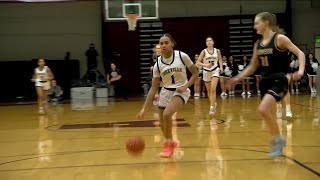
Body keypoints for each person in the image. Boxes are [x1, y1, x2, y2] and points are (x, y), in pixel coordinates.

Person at [226, 12, 305, 157]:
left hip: (279, 80)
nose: (254, 26)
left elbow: (300, 53)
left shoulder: (279, 39)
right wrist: (237, 78)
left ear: (266, 23)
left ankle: (277, 139)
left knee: (263, 109)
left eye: (257, 23)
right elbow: (252, 66)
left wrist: (300, 70)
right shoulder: (258, 44)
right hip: (265, 81)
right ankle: (278, 140)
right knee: (269, 113)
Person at [136, 33, 198, 158]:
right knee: (161, 124)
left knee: (167, 114)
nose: (163, 45)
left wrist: (186, 86)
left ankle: (167, 144)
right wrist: (144, 108)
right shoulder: (158, 64)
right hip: (165, 91)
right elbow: (153, 88)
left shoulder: (182, 56)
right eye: (161, 43)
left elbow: (195, 73)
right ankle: (171, 142)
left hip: (181, 90)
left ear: (172, 44)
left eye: (166, 43)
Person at [196, 36, 223, 115]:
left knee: (213, 89)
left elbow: (220, 59)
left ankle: (212, 107)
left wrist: (221, 67)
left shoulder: (217, 51)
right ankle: (213, 103)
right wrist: (205, 65)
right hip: (206, 72)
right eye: (207, 41)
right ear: (206, 43)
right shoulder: (204, 51)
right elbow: (197, 62)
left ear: (213, 42)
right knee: (208, 90)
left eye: (210, 40)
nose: (209, 42)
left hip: (215, 71)